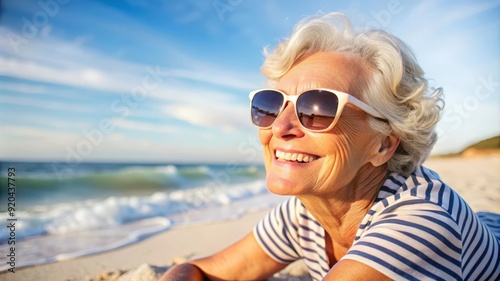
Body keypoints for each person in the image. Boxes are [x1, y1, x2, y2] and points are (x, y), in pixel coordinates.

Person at [160, 12, 500, 281]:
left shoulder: (420, 223)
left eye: (318, 109)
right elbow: (202, 270)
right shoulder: (307, 210)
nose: (280, 126)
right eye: (271, 103)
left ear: (382, 145)